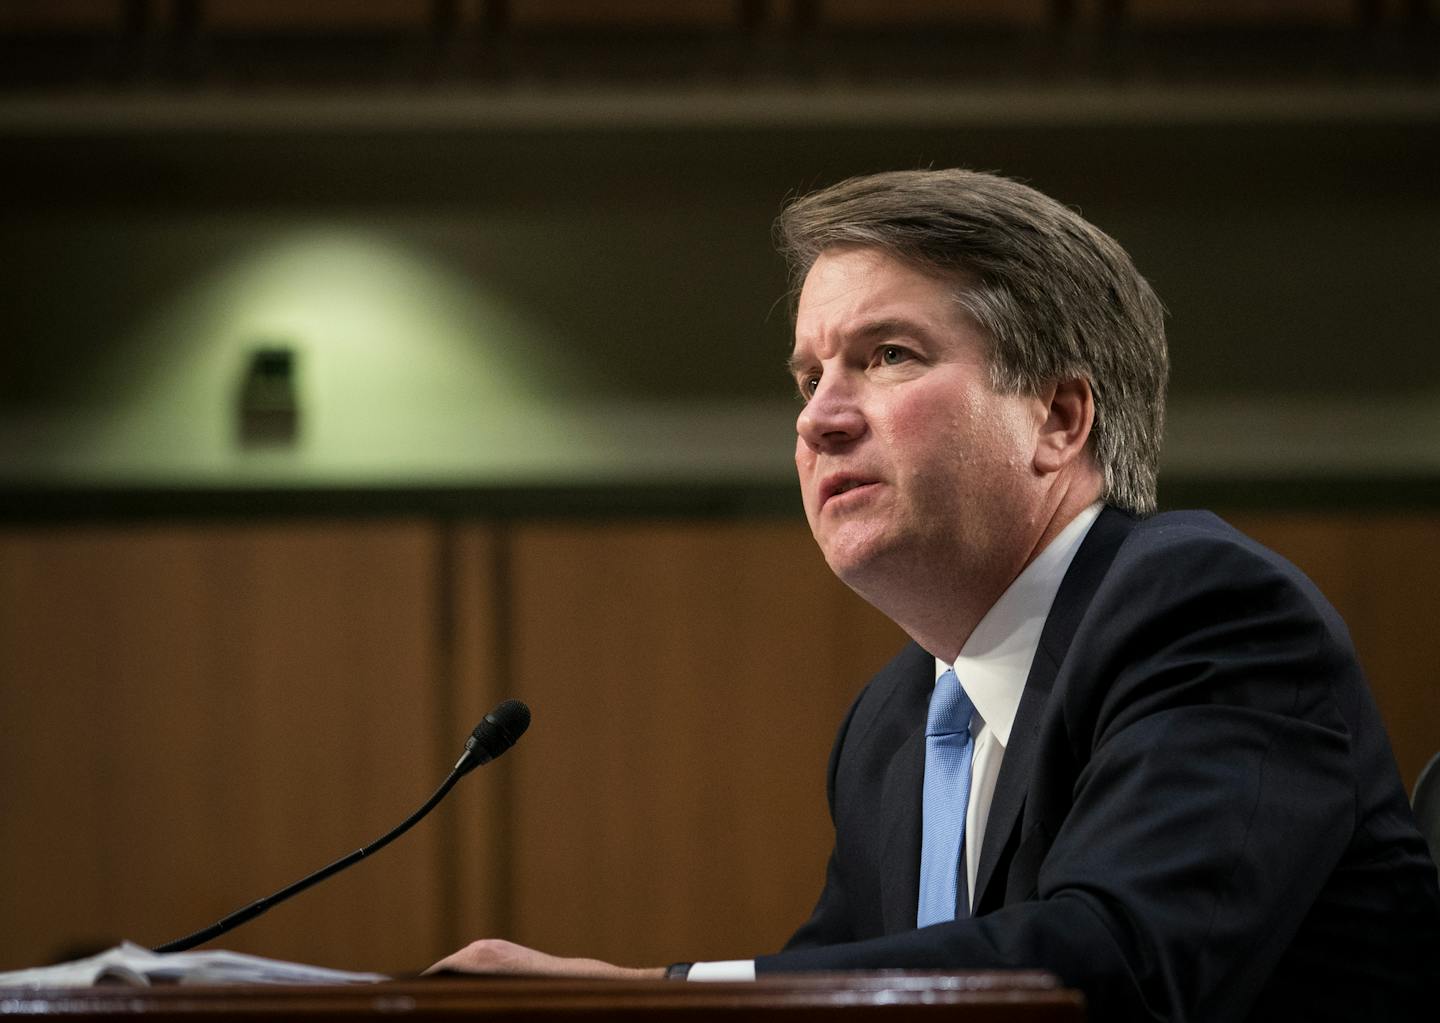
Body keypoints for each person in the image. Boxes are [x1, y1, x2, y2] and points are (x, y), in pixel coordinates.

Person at [429, 169, 1440, 1019]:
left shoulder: (1204, 610)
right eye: (807, 375)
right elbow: (833, 993)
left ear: (1057, 417)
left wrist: (652, 994)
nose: (818, 420)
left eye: (886, 357)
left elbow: (1118, 964)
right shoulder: (894, 722)